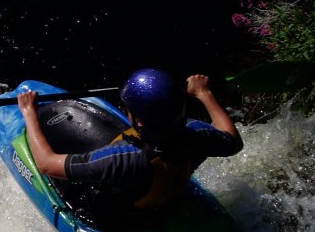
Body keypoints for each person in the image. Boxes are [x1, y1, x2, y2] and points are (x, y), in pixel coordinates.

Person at [17, 68, 243, 214]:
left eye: (129, 109)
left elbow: (46, 164)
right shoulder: (197, 133)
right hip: (163, 201)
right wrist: (205, 94)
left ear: (140, 122)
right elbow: (233, 142)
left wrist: (29, 114)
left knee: (68, 182)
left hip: (121, 219)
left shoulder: (123, 158)